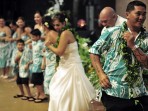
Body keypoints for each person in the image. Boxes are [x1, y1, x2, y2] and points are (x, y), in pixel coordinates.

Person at [89, 1, 148, 111]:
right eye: (138, 13)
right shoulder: (112, 32)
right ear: (127, 14)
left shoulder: (146, 38)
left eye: (144, 14)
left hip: (139, 93)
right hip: (114, 91)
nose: (141, 17)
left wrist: (133, 46)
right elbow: (94, 51)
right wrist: (101, 74)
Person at [45, 12, 96, 111]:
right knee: (60, 92)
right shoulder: (63, 33)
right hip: (65, 66)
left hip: (71, 67)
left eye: (58, 25)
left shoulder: (65, 33)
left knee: (67, 94)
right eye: (54, 25)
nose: (56, 27)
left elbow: (60, 52)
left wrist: (48, 45)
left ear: (64, 23)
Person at [29, 29, 47, 103]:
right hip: (35, 64)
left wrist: (43, 64)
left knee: (37, 80)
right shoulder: (34, 43)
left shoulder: (41, 44)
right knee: (36, 80)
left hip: (38, 65)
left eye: (33, 37)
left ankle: (42, 95)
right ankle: (38, 94)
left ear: (38, 36)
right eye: (31, 37)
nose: (32, 38)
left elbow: (44, 55)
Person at [41, 16, 58, 95]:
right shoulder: (48, 34)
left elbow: (59, 47)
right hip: (48, 63)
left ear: (44, 25)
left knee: (50, 84)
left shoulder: (51, 33)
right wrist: (43, 63)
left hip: (53, 62)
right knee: (48, 84)